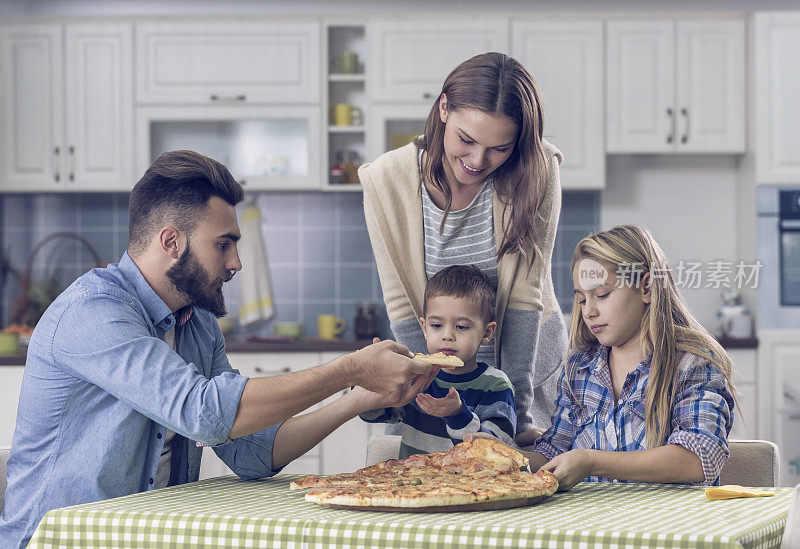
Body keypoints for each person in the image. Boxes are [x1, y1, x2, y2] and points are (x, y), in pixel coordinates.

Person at [0, 150, 439, 549]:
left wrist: (362, 396)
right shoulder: (94, 313)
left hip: (146, 538)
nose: (235, 263)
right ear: (171, 242)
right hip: (58, 541)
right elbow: (202, 411)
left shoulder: (199, 324)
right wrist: (350, 368)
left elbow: (250, 453)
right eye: (223, 244)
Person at [359, 52, 567, 445]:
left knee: (515, 478)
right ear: (443, 109)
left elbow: (526, 294)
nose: (477, 160)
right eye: (466, 140)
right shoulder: (385, 181)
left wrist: (518, 416)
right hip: (431, 373)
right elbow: (403, 305)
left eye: (499, 148)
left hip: (522, 368)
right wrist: (427, 389)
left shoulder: (537, 171)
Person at [469, 225, 737, 491]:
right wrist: (503, 456)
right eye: (582, 300)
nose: (589, 312)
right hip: (596, 525)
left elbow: (699, 460)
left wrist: (592, 461)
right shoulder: (578, 368)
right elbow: (554, 454)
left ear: (647, 288)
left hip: (671, 527)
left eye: (602, 295)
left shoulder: (694, 363)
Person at [356, 265, 516, 457]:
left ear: (487, 332)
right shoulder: (415, 376)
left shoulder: (496, 386)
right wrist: (367, 379)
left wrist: (457, 414)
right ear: (424, 328)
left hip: (474, 485)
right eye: (437, 325)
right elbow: (373, 414)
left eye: (462, 327)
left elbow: (497, 451)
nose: (447, 335)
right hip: (413, 481)